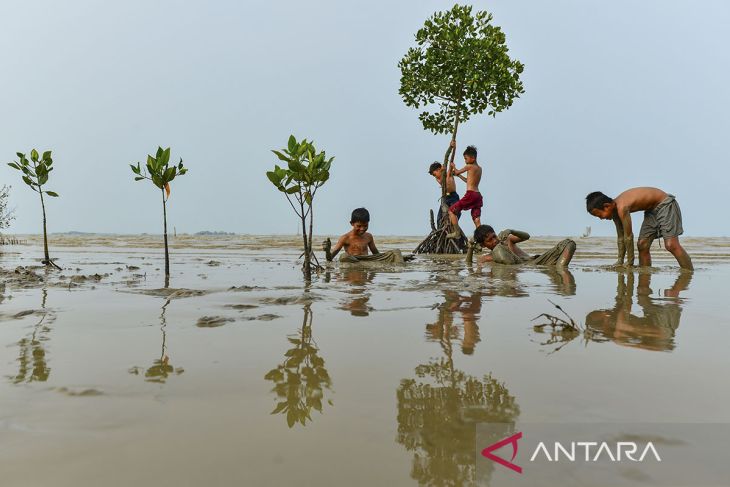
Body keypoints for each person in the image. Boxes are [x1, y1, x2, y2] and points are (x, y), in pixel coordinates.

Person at [585, 188, 693, 270]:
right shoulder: (615, 213)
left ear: (607, 206)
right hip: (651, 210)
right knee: (642, 245)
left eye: (600, 215)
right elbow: (620, 238)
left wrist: (629, 263)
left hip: (665, 204)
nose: (601, 218)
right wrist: (620, 262)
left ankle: (688, 271)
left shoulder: (622, 208)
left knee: (671, 245)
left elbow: (628, 236)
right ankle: (645, 273)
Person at [323, 207, 404, 264]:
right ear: (352, 224)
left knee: (396, 252)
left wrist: (386, 258)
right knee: (343, 256)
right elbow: (330, 258)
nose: (362, 229)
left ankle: (401, 266)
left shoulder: (368, 236)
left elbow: (376, 254)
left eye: (365, 226)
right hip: (354, 260)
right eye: (359, 226)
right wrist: (327, 251)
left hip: (368, 260)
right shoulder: (345, 238)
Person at [469, 225, 576, 267]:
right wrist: (470, 248)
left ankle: (560, 268)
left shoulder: (508, 240)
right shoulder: (487, 257)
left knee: (568, 244)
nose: (495, 240)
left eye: (494, 236)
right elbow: (470, 265)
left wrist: (512, 231)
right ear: (483, 245)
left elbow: (526, 236)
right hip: (529, 268)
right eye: (490, 240)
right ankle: (561, 270)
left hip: (537, 260)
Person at [446, 145, 483, 238]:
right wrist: (459, 176)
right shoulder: (479, 168)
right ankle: (481, 238)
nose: (465, 161)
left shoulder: (469, 166)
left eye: (466, 158)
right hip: (478, 195)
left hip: (471, 194)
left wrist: (453, 166)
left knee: (451, 211)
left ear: (473, 158)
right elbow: (468, 180)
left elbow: (457, 172)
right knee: (476, 219)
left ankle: (456, 232)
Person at [428, 160, 462, 226]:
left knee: (456, 212)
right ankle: (441, 229)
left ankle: (454, 227)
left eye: (435, 174)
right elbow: (442, 181)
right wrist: (443, 170)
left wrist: (449, 167)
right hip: (445, 197)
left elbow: (450, 171)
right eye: (433, 176)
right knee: (439, 218)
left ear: (438, 169)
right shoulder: (438, 178)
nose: (435, 176)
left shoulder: (449, 174)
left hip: (453, 196)